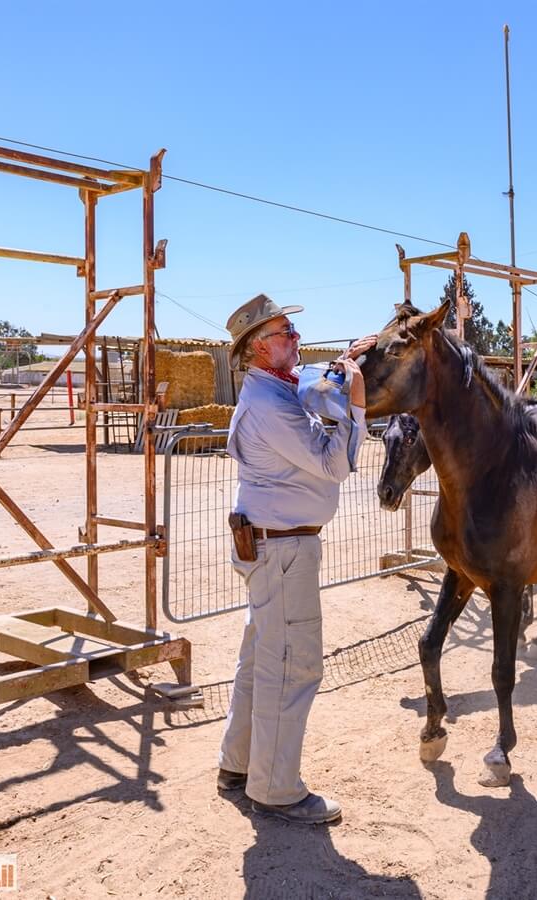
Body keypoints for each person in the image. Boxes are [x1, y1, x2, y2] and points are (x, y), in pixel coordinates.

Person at [216, 293, 376, 826]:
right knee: (292, 668)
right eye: (286, 333)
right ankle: (276, 789)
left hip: (271, 545)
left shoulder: (275, 390)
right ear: (259, 349)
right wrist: (355, 401)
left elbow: (311, 379)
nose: (296, 340)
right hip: (284, 549)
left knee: (261, 660)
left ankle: (238, 766)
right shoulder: (271, 406)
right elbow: (334, 466)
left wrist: (343, 361)